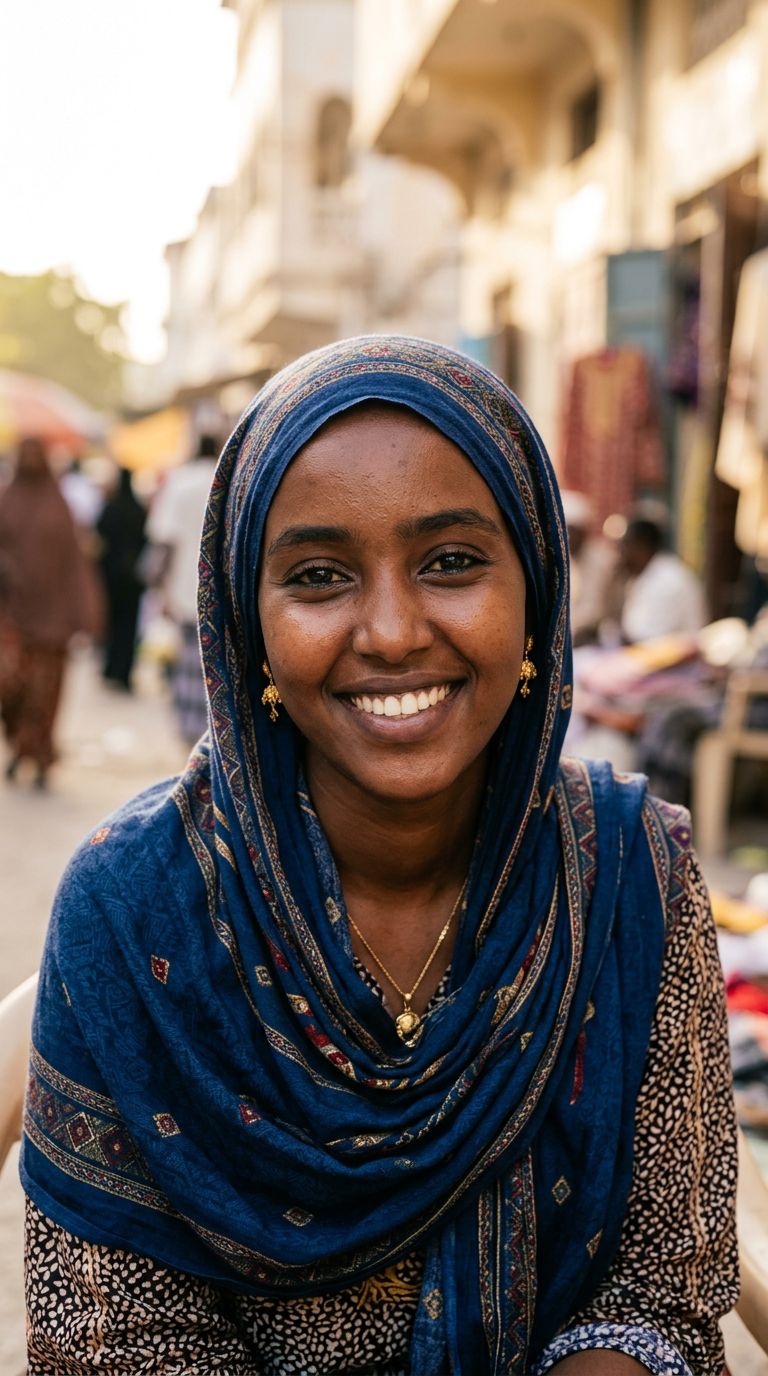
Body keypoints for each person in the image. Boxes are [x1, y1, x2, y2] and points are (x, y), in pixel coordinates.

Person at [22, 339, 737, 1375]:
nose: (395, 631)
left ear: (537, 590)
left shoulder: (637, 876)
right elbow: (114, 1337)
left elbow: (659, 1291)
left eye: (451, 561)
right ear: (247, 623)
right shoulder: (136, 908)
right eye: (319, 576)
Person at [0, 437, 101, 788]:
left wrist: (85, 611)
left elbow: (74, 562)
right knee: (12, 685)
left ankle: (39, 755)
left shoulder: (58, 505)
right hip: (13, 611)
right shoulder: (6, 499)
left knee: (46, 691)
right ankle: (19, 745)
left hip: (54, 618)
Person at [146, 434, 219, 741]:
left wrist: (159, 589)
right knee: (212, 665)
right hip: (217, 590)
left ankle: (190, 733)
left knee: (185, 664)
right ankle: (211, 730)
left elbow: (164, 542)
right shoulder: (224, 479)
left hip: (182, 589)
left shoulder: (179, 482)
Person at [96, 467, 147, 691]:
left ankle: (111, 667)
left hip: (111, 576)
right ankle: (124, 671)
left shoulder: (110, 508)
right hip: (133, 579)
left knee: (112, 622)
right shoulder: (138, 510)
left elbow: (99, 536)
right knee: (129, 625)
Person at [620, 517, 706, 643]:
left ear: (642, 547)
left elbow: (644, 638)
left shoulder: (669, 580)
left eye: (627, 545)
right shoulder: (646, 574)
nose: (622, 553)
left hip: (676, 659)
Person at [560, 490, 618, 646]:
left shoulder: (600, 559)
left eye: (573, 532)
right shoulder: (565, 558)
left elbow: (593, 612)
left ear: (584, 533)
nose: (569, 538)